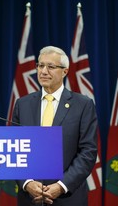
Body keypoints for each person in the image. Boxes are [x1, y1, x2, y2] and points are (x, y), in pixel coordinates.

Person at [12, 46, 98, 205]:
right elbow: (13, 149)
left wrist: (61, 186)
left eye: (50, 67)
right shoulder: (22, 104)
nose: (43, 71)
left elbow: (88, 151)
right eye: (40, 65)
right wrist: (27, 182)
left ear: (65, 71)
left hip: (67, 197)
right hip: (30, 198)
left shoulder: (83, 105)